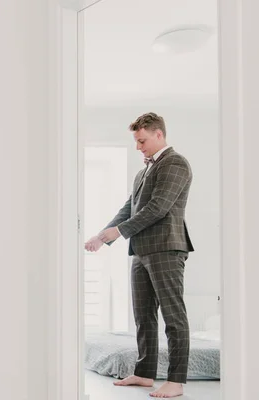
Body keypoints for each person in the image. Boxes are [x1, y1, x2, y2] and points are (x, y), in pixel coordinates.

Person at [85, 112, 194, 399]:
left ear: (159, 134)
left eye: (142, 140)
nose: (138, 147)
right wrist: (102, 235)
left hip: (166, 248)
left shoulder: (175, 163)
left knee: (173, 316)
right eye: (136, 141)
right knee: (143, 317)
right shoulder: (143, 171)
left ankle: (176, 381)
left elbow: (158, 207)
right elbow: (130, 207)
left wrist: (119, 232)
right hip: (141, 250)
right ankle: (145, 374)